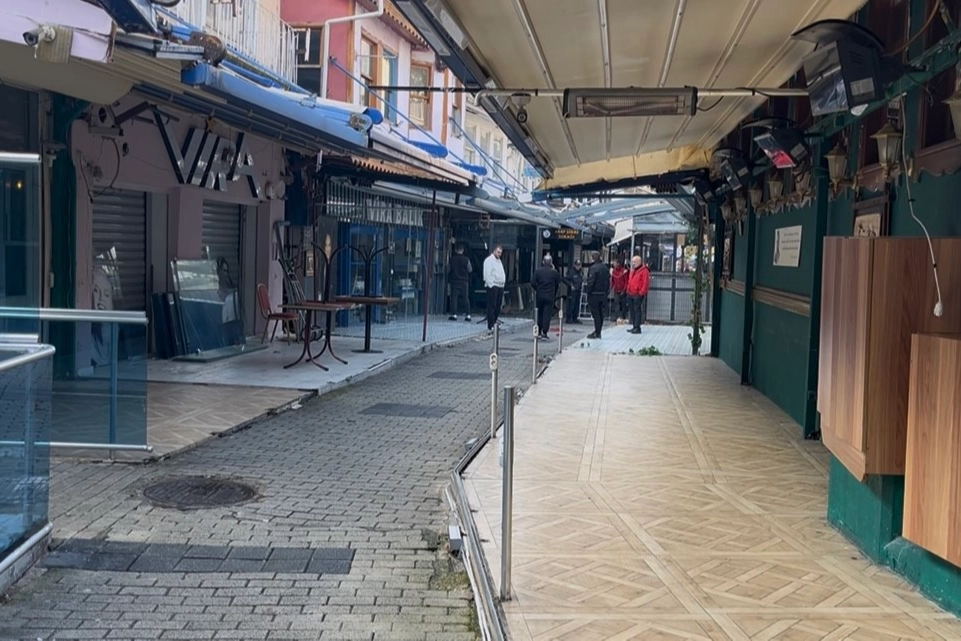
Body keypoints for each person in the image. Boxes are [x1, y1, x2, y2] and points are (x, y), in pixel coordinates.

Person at [531, 255, 562, 340]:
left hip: (540, 295)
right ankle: (545, 332)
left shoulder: (538, 271)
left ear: (543, 262)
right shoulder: (554, 272)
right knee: (547, 314)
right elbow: (558, 283)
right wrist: (554, 292)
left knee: (539, 313)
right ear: (551, 262)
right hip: (550, 295)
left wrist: (538, 289)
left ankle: (538, 331)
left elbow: (533, 283)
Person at [584, 251, 610, 339]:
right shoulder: (605, 268)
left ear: (593, 258)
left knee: (596, 314)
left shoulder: (593, 268)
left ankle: (597, 332)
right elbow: (608, 281)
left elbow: (591, 281)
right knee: (600, 313)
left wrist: (588, 291)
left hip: (594, 294)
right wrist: (606, 292)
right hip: (603, 294)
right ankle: (598, 331)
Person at [483, 245, 506, 332]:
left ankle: (494, 322)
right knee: (492, 305)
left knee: (498, 306)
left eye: (500, 253)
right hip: (493, 286)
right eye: (498, 252)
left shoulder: (499, 261)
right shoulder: (488, 261)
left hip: (500, 286)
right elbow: (487, 273)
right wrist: (491, 285)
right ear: (494, 251)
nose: (499, 254)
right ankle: (491, 325)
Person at [626, 254, 651, 334]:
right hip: (630, 293)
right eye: (632, 262)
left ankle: (637, 327)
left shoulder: (644, 271)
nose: (633, 263)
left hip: (637, 294)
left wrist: (641, 293)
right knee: (632, 310)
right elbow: (630, 281)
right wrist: (628, 290)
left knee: (637, 310)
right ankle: (634, 326)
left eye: (634, 262)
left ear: (639, 262)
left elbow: (645, 283)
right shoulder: (633, 270)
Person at [448, 244, 472, 321]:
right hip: (464, 282)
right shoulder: (466, 260)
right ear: (463, 250)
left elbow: (448, 269)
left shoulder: (452, 259)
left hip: (454, 281)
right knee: (466, 298)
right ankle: (468, 315)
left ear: (455, 250)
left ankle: (454, 314)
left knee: (454, 298)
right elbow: (470, 270)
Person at [564, 259, 583, 324]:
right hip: (572, 291)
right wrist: (570, 285)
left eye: (579, 265)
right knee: (571, 305)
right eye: (577, 265)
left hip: (578, 290)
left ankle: (575, 318)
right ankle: (569, 318)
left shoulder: (580, 272)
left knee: (577, 305)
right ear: (574, 265)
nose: (578, 267)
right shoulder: (571, 272)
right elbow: (565, 279)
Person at [610, 258, 629, 322]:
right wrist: (610, 288)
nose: (613, 264)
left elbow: (626, 281)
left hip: (623, 290)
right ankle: (617, 317)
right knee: (616, 303)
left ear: (618, 264)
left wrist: (624, 290)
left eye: (614, 263)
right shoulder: (613, 271)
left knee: (623, 304)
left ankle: (623, 316)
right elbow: (612, 281)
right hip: (616, 290)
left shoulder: (624, 271)